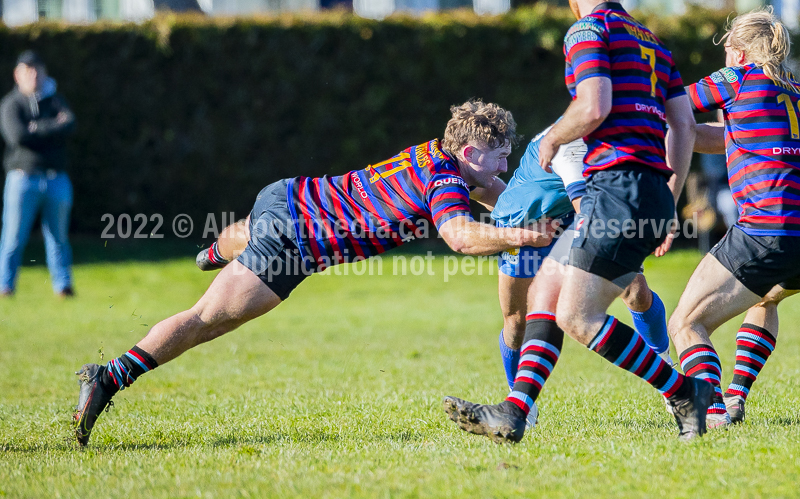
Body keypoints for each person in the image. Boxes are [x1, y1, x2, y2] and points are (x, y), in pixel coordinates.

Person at [72, 99, 559, 447]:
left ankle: (217, 249)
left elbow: (496, 197)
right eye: (501, 156)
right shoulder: (446, 180)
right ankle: (108, 376)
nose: (506, 165)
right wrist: (527, 236)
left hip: (285, 194)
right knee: (208, 319)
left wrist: (543, 215)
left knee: (256, 230)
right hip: (295, 240)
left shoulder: (436, 153)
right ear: (471, 153)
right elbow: (459, 236)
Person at [442, 0, 711, 443]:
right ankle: (514, 412)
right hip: (646, 190)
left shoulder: (589, 29)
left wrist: (554, 137)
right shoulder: (654, 44)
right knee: (547, 291)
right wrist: (669, 196)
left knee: (577, 317)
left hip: (616, 189)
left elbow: (592, 107)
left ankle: (684, 392)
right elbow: (682, 126)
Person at [488, 126, 674, 431]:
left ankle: (665, 365)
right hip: (526, 222)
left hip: (575, 214)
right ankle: (521, 402)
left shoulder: (627, 130)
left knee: (636, 290)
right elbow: (585, 209)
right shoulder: (570, 143)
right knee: (517, 319)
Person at [668, 8, 800, 428]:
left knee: (686, 323)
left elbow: (674, 109)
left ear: (739, 51)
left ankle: (714, 409)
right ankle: (737, 397)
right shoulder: (793, 90)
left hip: (765, 231)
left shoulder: (737, 77)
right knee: (767, 296)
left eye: (726, 47)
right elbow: (723, 137)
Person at [0, 50, 76, 297]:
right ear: (17, 74)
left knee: (58, 238)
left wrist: (37, 128)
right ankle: (5, 285)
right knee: (13, 237)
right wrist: (52, 127)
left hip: (56, 179)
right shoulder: (11, 104)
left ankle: (63, 286)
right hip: (23, 179)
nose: (33, 74)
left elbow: (70, 124)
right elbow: (18, 136)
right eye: (27, 70)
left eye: (37, 69)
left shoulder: (55, 100)